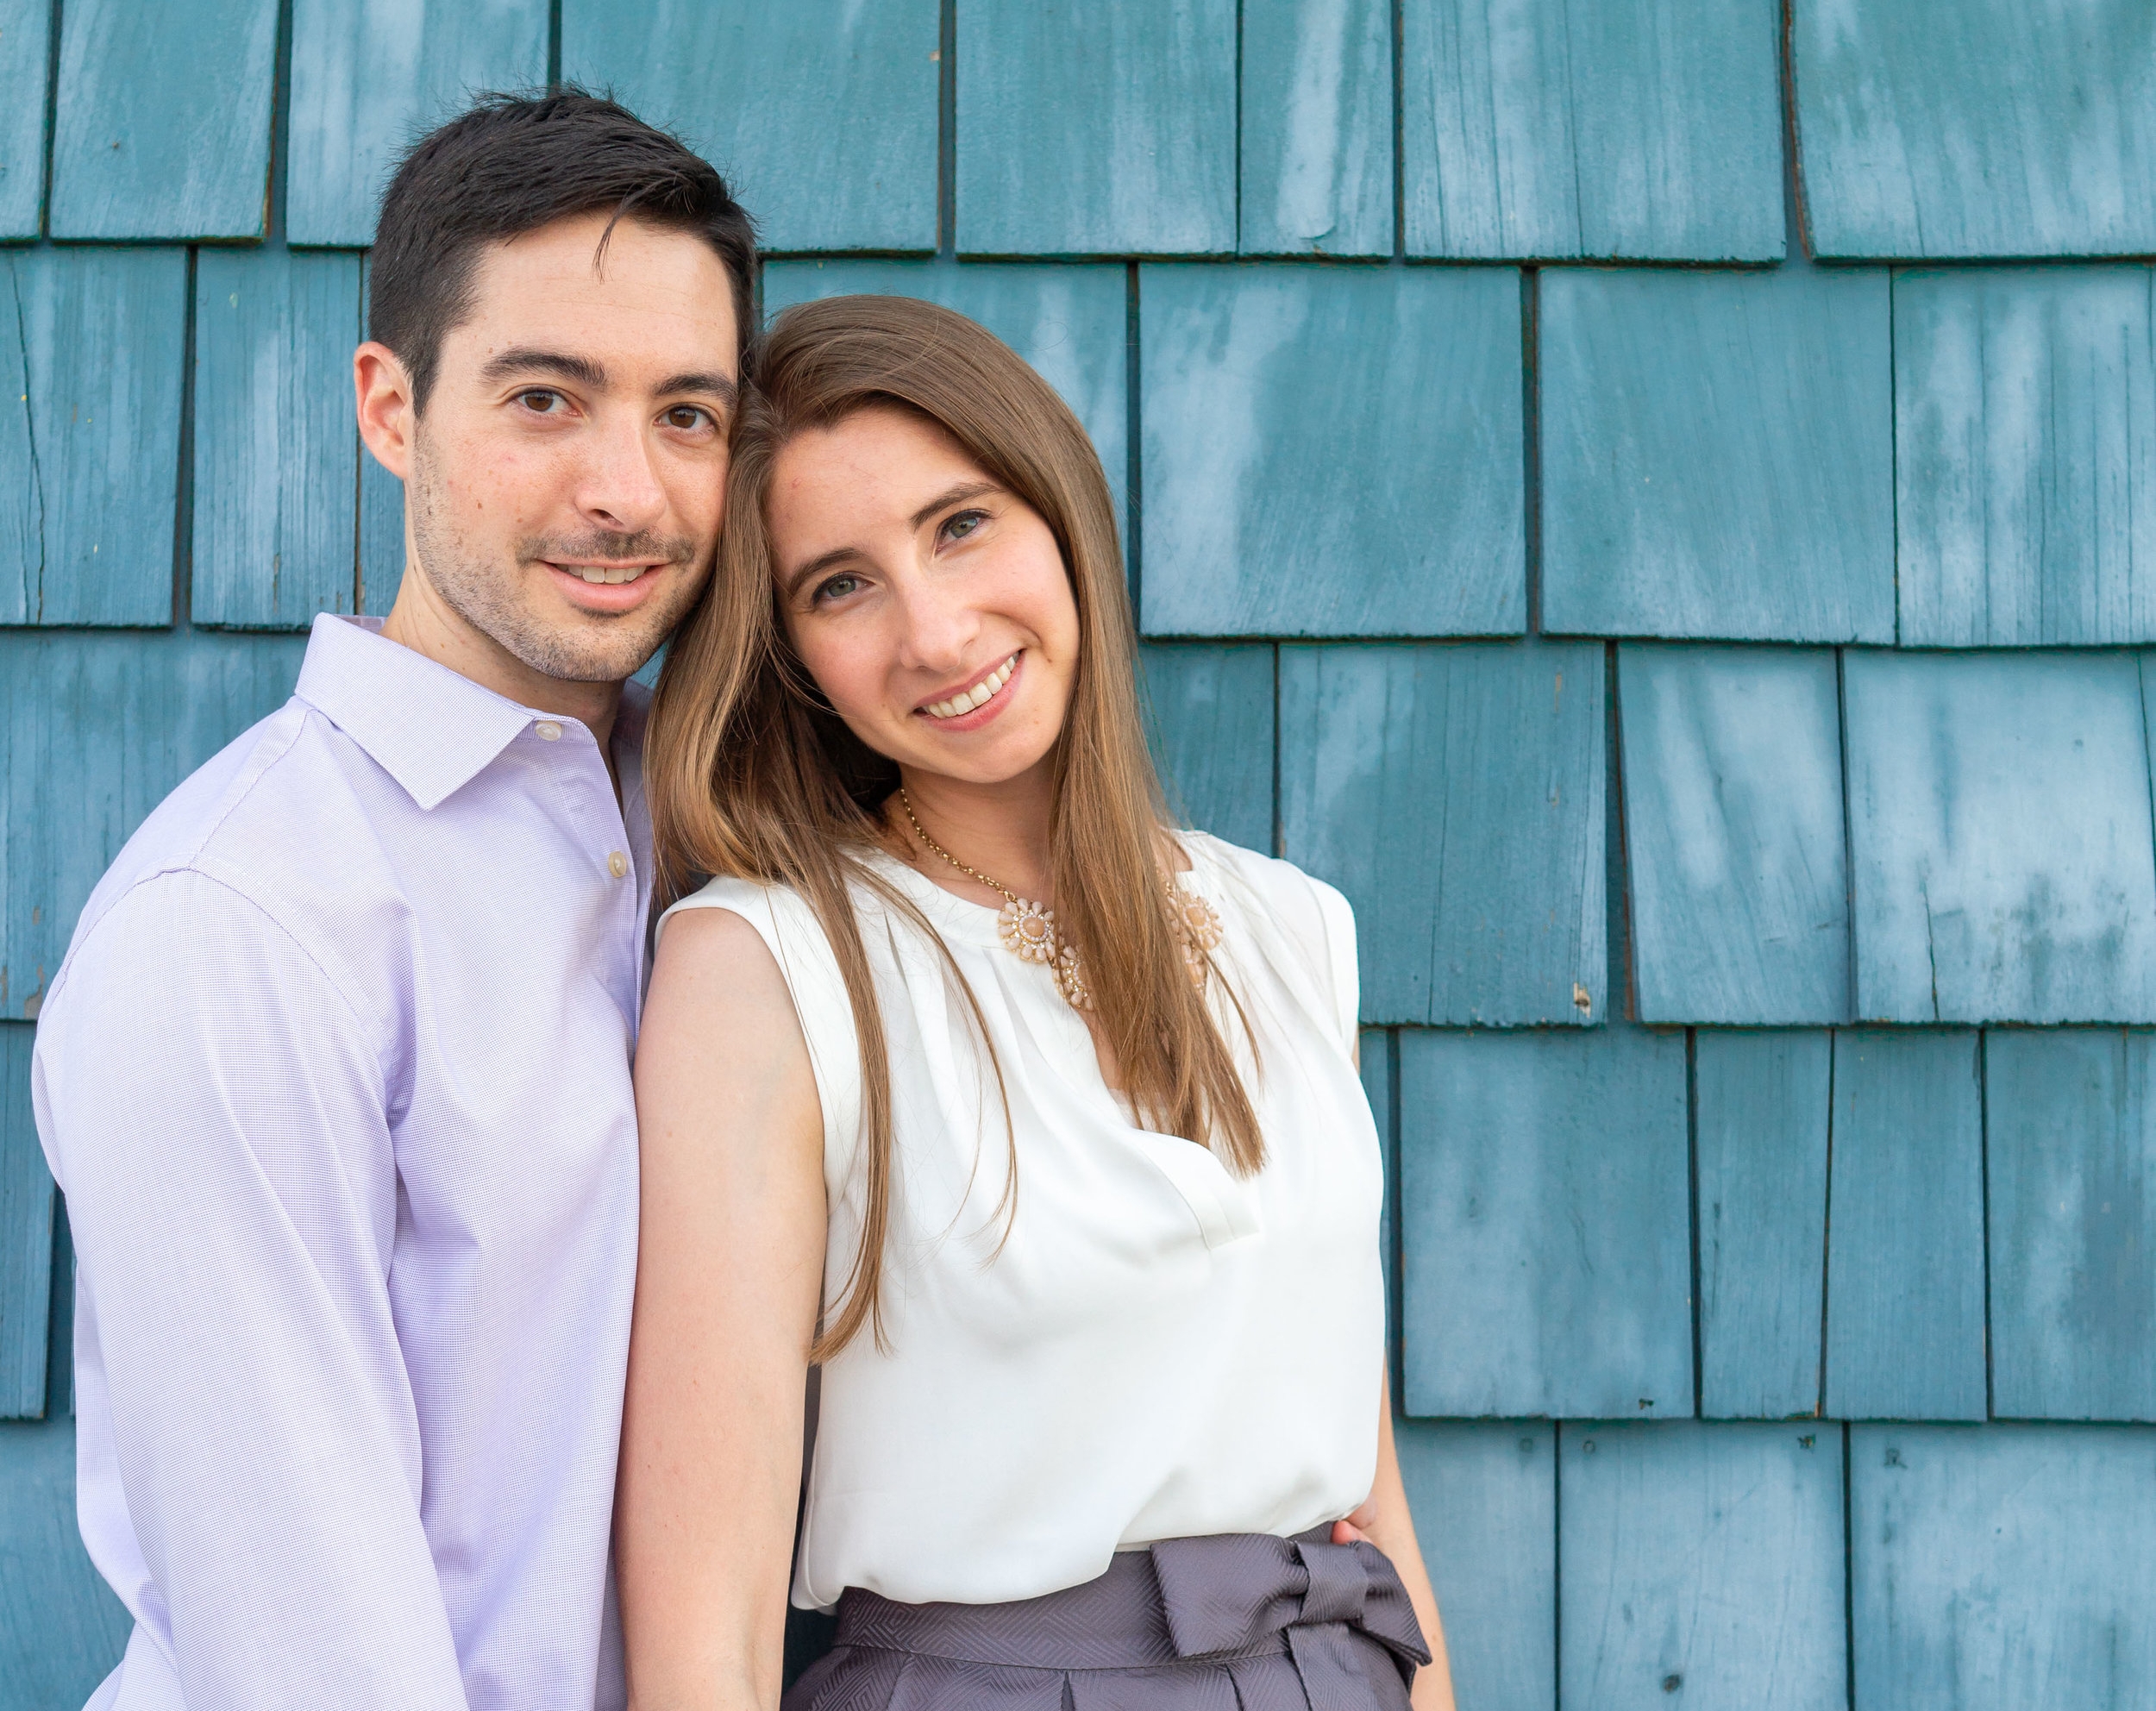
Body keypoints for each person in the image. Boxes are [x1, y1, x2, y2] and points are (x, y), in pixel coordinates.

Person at [623, 296, 1459, 1710]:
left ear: (1061, 513)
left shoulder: (1290, 927)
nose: (938, 632)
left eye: (961, 526)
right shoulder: (767, 969)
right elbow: (706, 1613)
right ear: (789, 657)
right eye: (841, 586)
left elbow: (1361, 1476)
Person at [30, 91, 750, 1709]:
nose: (630, 490)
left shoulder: (706, 825)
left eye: (687, 414)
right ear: (390, 408)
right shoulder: (236, 928)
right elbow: (318, 1661)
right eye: (548, 399)